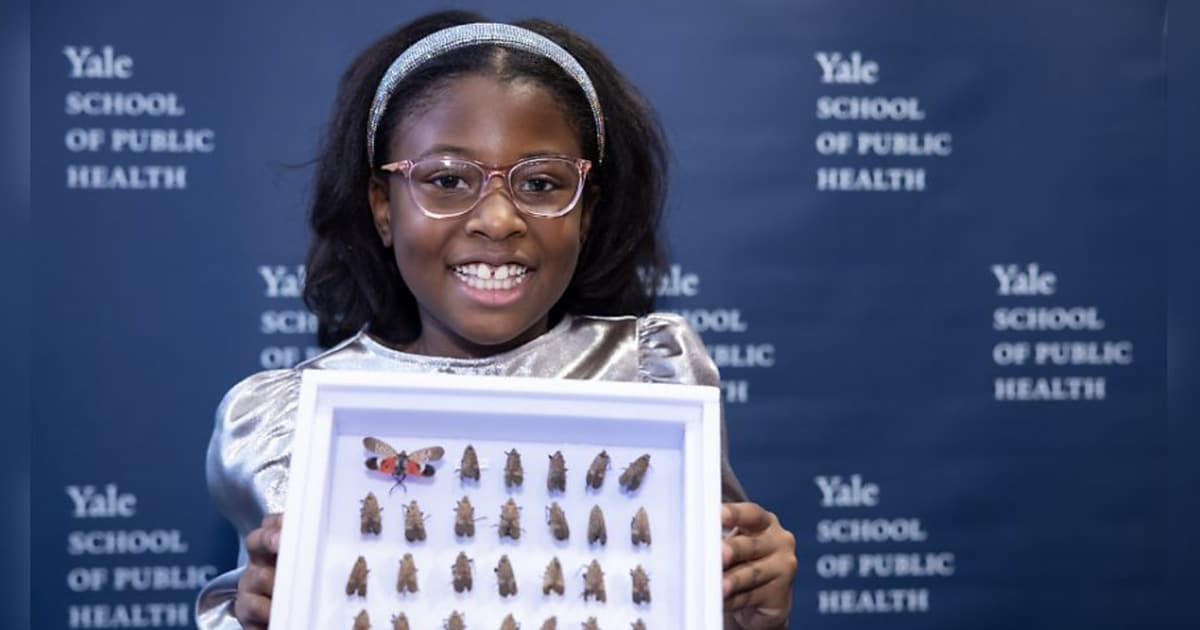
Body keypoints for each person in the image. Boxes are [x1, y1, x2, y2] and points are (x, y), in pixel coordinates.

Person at [198, 10, 796, 629]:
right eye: (449, 179)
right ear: (383, 206)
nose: (498, 218)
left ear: (585, 212)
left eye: (540, 184)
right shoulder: (286, 427)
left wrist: (747, 611)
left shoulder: (653, 374)